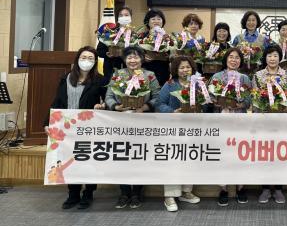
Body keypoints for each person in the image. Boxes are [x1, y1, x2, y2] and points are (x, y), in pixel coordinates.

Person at [43, 46, 107, 210]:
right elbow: (57, 101)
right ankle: (73, 193)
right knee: (69, 159)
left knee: (88, 160)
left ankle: (88, 193)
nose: (87, 61)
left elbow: (107, 101)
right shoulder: (66, 78)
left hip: (88, 127)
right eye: (84, 57)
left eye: (91, 58)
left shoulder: (100, 80)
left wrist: (102, 105)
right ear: (77, 59)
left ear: (95, 62)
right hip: (68, 128)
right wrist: (47, 122)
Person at [105, 46, 161, 210]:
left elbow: (157, 96)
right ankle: (124, 192)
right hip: (121, 122)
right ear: (124, 60)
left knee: (139, 155)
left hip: (142, 122)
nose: (133, 60)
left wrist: (145, 107)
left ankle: (137, 192)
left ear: (142, 59)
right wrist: (116, 106)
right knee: (121, 156)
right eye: (129, 57)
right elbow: (109, 96)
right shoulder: (117, 75)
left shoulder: (150, 75)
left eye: (136, 57)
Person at [155, 55, 203, 212]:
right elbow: (159, 104)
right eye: (182, 67)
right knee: (173, 160)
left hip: (193, 129)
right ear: (175, 70)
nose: (185, 70)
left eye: (188, 67)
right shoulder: (169, 85)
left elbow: (205, 104)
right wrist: (172, 112)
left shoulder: (198, 84)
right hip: (174, 129)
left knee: (191, 159)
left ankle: (186, 191)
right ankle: (170, 196)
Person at [253, 44, 287, 204]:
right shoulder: (258, 75)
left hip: (281, 121)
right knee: (264, 155)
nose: (272, 58)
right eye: (269, 55)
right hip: (264, 121)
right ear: (265, 58)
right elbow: (254, 98)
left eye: (275, 55)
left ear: (280, 58)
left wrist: (284, 108)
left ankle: (278, 189)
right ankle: (265, 189)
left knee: (280, 155)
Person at [209, 48, 252, 206]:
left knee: (240, 153)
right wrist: (219, 101)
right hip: (222, 118)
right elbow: (210, 97)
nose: (234, 60)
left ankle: (241, 187)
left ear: (241, 61)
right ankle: (223, 188)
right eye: (231, 57)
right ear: (226, 59)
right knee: (223, 154)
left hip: (239, 119)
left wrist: (239, 104)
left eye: (237, 58)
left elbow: (249, 100)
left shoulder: (245, 78)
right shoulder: (217, 77)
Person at [96, 6, 133, 80]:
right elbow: (99, 51)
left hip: (129, 70)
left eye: (126, 15)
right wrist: (107, 53)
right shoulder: (108, 32)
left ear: (131, 18)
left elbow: (139, 53)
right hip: (110, 69)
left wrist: (124, 54)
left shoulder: (135, 35)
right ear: (117, 18)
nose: (124, 17)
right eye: (121, 15)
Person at [137, 8, 170, 86]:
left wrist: (168, 56)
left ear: (163, 22)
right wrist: (142, 57)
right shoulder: (141, 36)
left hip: (163, 71)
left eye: (159, 19)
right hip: (146, 70)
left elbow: (171, 54)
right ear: (148, 22)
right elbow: (135, 53)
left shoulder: (167, 37)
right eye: (153, 19)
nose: (156, 21)